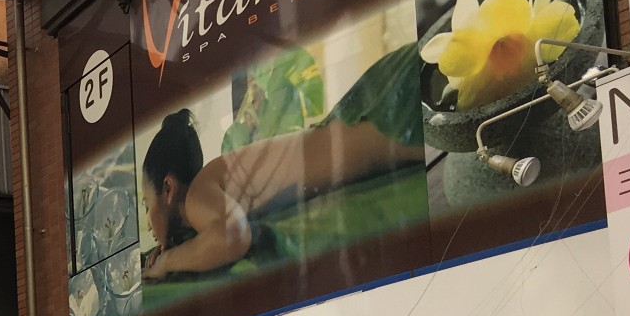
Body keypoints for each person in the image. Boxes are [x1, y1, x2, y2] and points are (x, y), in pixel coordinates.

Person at [138, 93, 420, 281]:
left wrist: (169, 262)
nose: (148, 223)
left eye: (146, 204)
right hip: (377, 135)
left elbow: (232, 236)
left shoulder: (198, 194)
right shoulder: (207, 194)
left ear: (168, 188)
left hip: (387, 125)